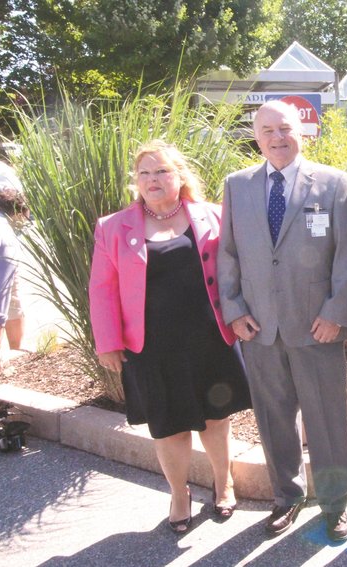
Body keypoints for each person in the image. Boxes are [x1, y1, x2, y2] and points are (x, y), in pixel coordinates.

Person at [89, 140, 251, 534]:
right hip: (151, 347)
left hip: (209, 338)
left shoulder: (214, 215)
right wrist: (108, 342)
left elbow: (239, 272)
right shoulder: (113, 228)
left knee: (216, 418)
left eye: (161, 171)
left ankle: (222, 481)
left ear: (180, 176)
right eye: (144, 173)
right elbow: (102, 288)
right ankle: (179, 494)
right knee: (168, 425)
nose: (152, 180)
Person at [217, 101, 347, 542]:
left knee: (327, 421)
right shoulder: (237, 186)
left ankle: (335, 504)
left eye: (285, 128)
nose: (277, 137)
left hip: (316, 325)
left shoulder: (334, 183)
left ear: (303, 130)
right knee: (274, 418)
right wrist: (235, 309)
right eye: (267, 131)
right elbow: (228, 253)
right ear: (255, 137)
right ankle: (287, 496)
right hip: (258, 328)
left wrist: (336, 312)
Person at [0, 186, 28, 353]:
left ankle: (16, 350)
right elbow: (1, 289)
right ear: (18, 211)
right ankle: (14, 351)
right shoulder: (5, 235)